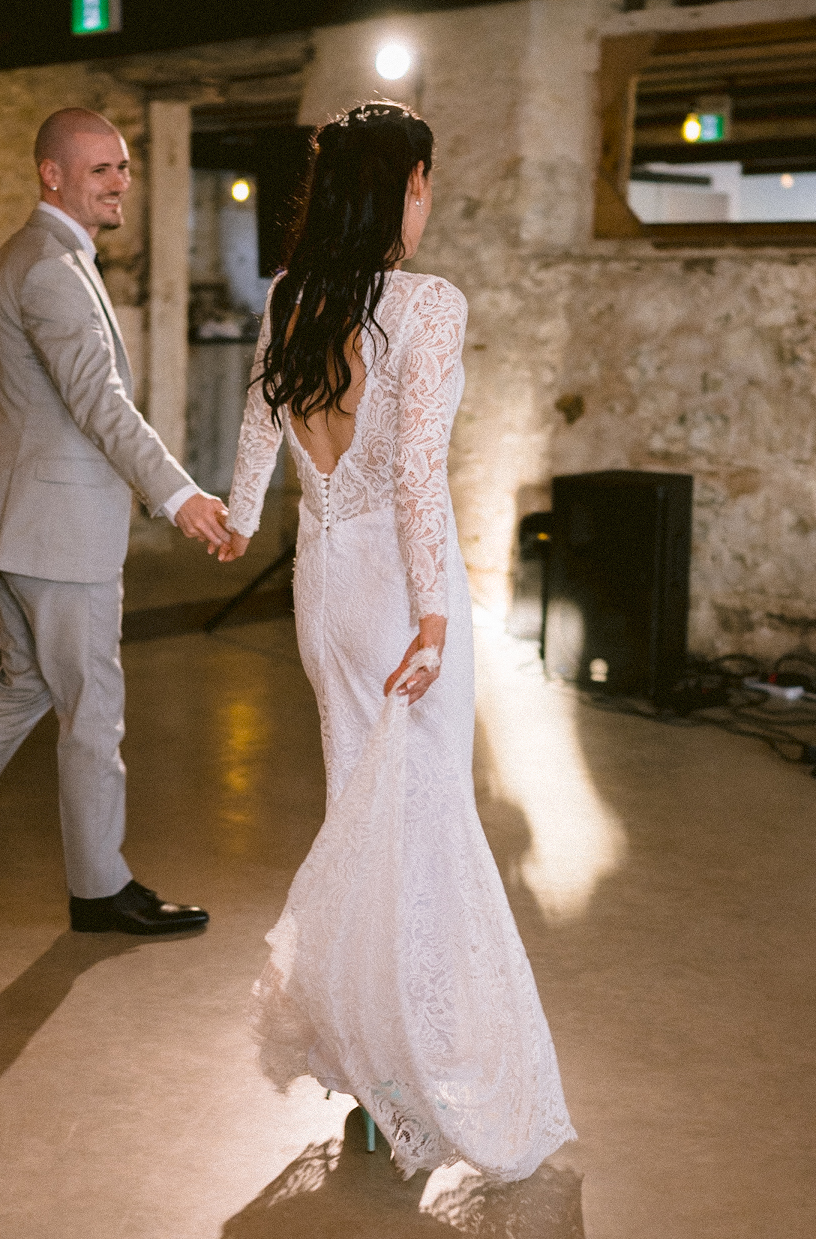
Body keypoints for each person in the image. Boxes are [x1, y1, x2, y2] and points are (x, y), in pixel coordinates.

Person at [219, 104, 576, 1182]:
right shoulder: (427, 303)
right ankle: (411, 1074)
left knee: (361, 817)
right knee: (420, 826)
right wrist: (433, 610)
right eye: (423, 185)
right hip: (395, 588)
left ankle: (373, 1078)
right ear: (398, 191)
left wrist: (233, 522)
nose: (428, 205)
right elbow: (419, 471)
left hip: (321, 585)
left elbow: (253, 447)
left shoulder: (289, 299)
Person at [0, 108, 230, 936]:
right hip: (57, 537)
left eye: (124, 167)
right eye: (100, 169)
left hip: (15, 524)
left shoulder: (34, 254)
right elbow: (101, 403)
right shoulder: (53, 267)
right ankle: (101, 890)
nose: (120, 181)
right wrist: (182, 496)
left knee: (21, 687)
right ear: (50, 175)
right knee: (92, 710)